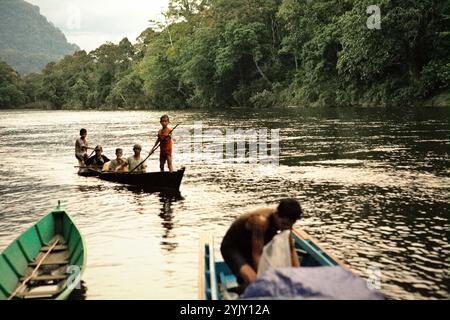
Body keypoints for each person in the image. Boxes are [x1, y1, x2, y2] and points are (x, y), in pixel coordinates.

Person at [220, 199, 302, 291]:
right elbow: (257, 254)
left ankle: (243, 285)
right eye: (284, 224)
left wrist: (298, 274)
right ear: (276, 214)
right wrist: (264, 279)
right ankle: (236, 290)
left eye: (290, 225)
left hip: (253, 245)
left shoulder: (286, 223)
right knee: (254, 281)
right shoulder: (261, 221)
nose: (286, 228)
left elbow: (291, 249)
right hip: (233, 248)